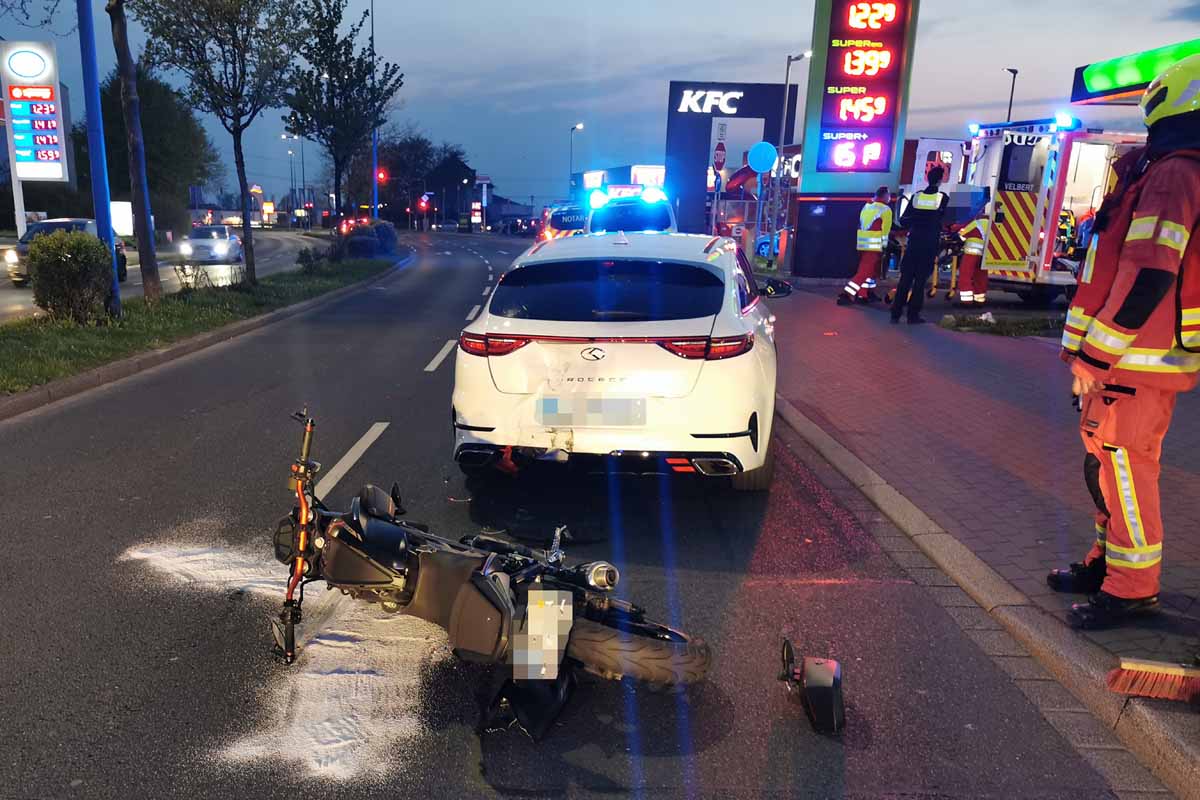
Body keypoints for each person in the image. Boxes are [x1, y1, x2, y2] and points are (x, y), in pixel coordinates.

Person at [1048, 53, 1200, 629]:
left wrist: (1094, 355)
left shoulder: (1175, 173)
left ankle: (1133, 587)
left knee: (1127, 473)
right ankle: (1107, 562)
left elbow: (1150, 272)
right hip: (1124, 363)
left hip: (1133, 364)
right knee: (1105, 469)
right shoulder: (1164, 170)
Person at [890, 166, 949, 324]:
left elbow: (904, 221)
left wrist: (917, 221)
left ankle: (895, 313)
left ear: (927, 179)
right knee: (920, 280)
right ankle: (913, 315)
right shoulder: (942, 198)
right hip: (929, 243)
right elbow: (948, 221)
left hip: (914, 241)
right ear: (940, 180)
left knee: (906, 278)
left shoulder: (916, 197)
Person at [839, 186, 892, 305]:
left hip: (863, 242)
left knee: (870, 271)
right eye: (888, 195)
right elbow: (885, 231)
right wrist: (884, 245)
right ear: (884, 196)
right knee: (865, 271)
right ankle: (847, 294)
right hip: (875, 244)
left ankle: (865, 294)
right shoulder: (885, 209)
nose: (889, 198)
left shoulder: (867, 206)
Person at [955, 206, 990, 306]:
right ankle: (979, 300)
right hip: (984, 255)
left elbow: (962, 235)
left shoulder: (976, 223)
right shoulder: (992, 225)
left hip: (972, 253)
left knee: (965, 274)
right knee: (981, 276)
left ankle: (967, 301)